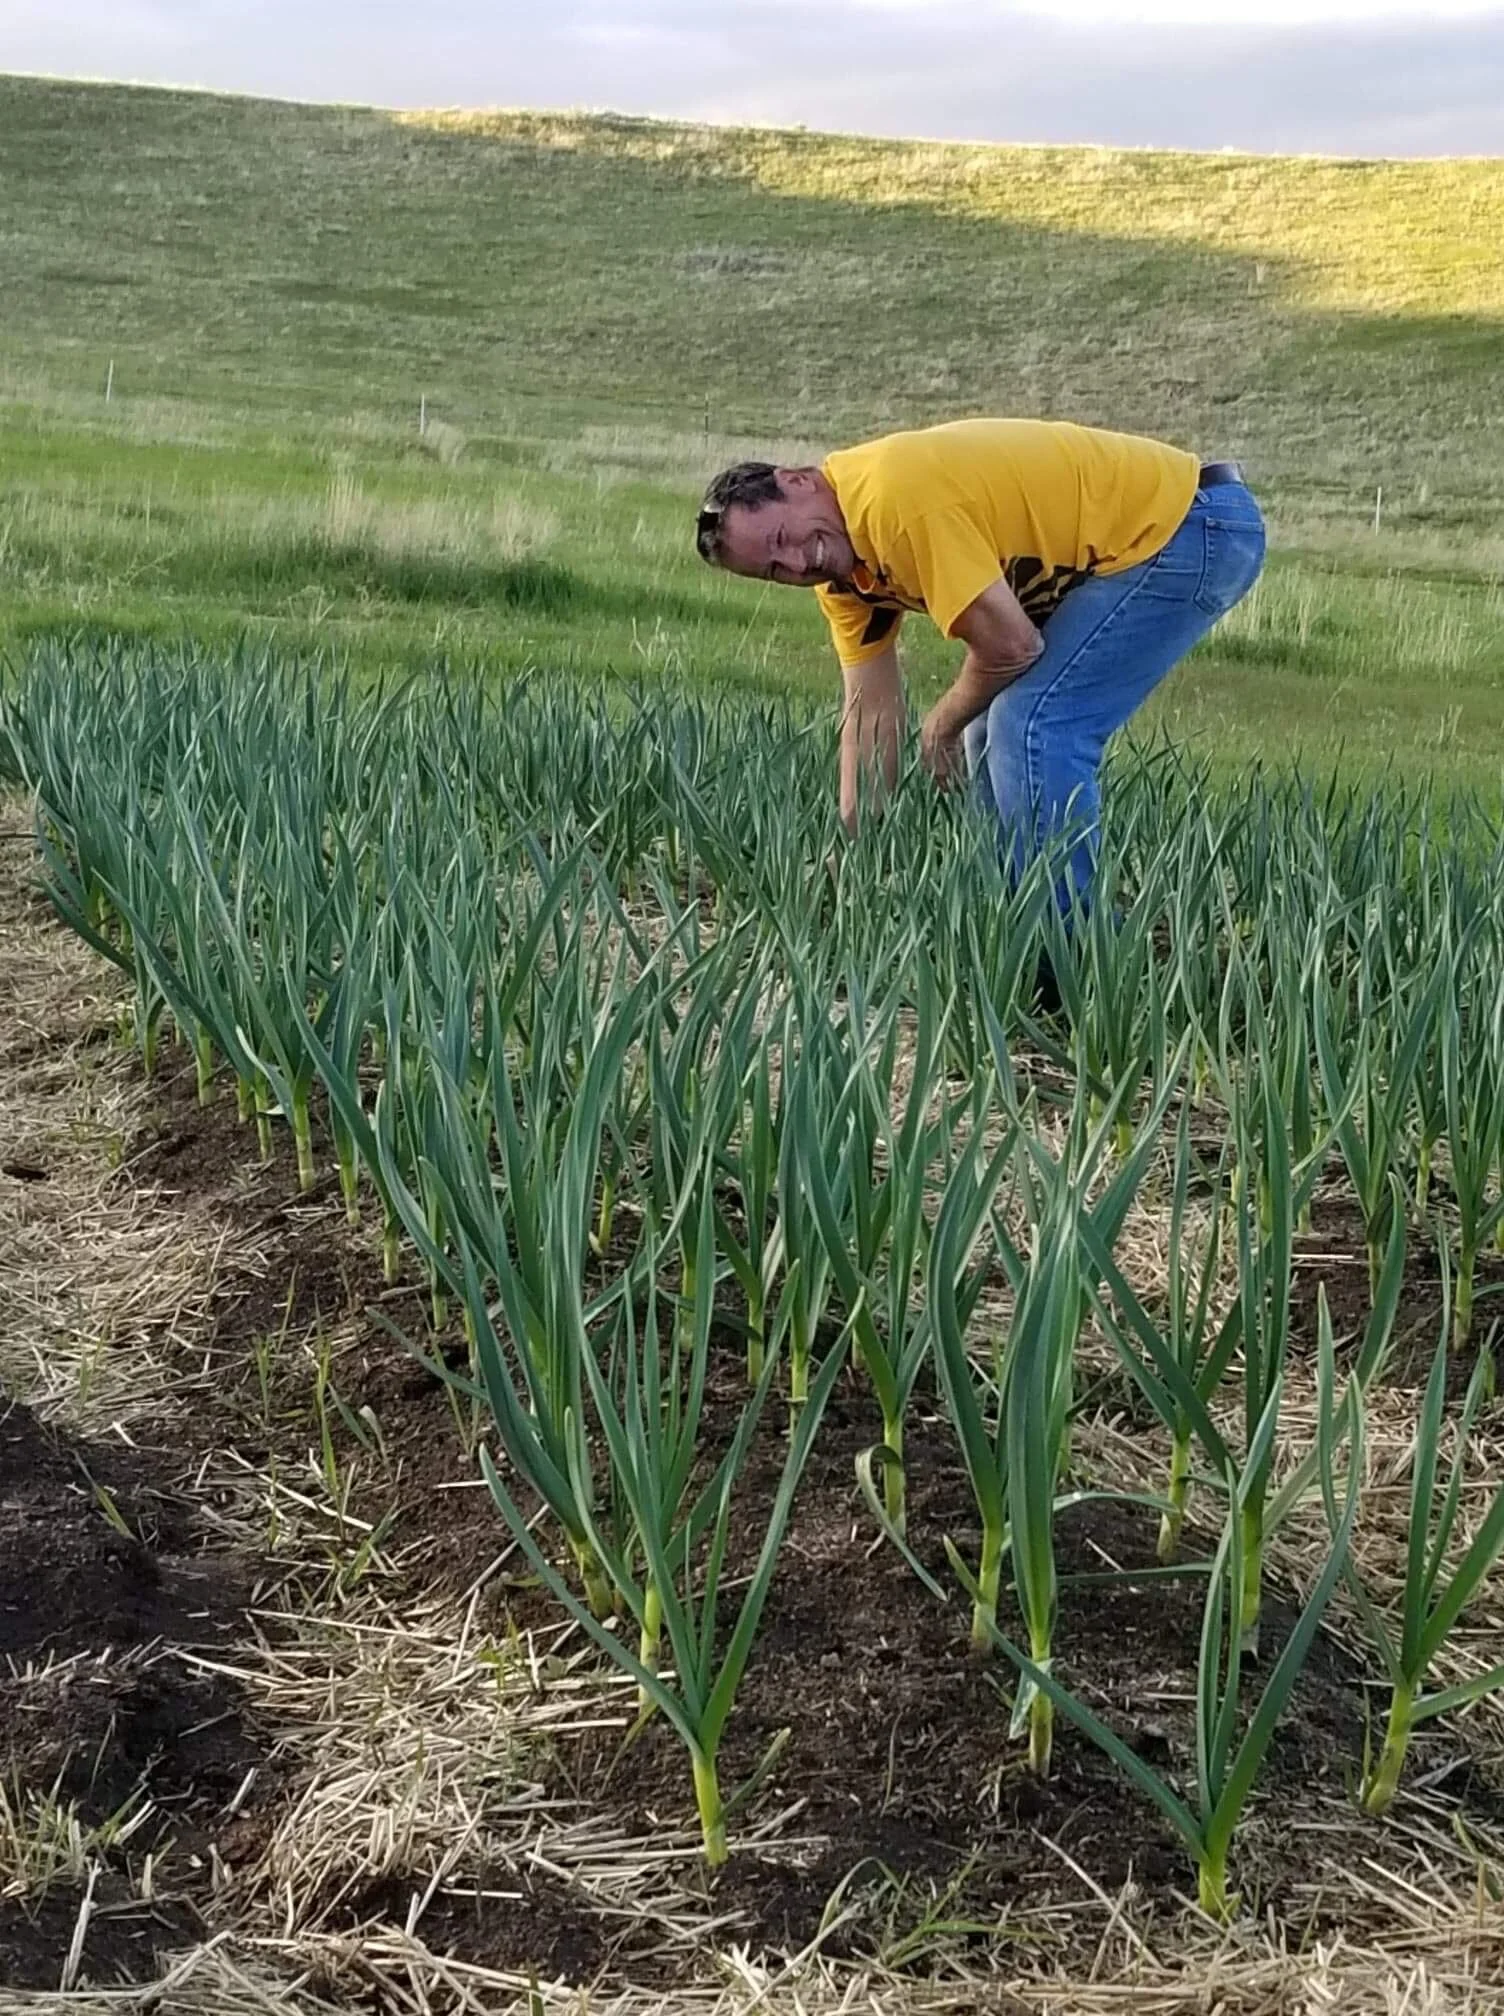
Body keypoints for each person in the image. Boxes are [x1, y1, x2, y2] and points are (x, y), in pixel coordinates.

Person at [694, 417, 1265, 909]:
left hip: (1190, 527)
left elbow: (1012, 647)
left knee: (1032, 725)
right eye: (774, 571)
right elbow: (870, 716)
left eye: (783, 538)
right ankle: (1012, 927)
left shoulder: (889, 500)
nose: (798, 564)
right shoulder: (846, 576)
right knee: (989, 731)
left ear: (798, 481)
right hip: (1162, 538)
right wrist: (851, 853)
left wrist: (940, 724)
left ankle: (1077, 955)